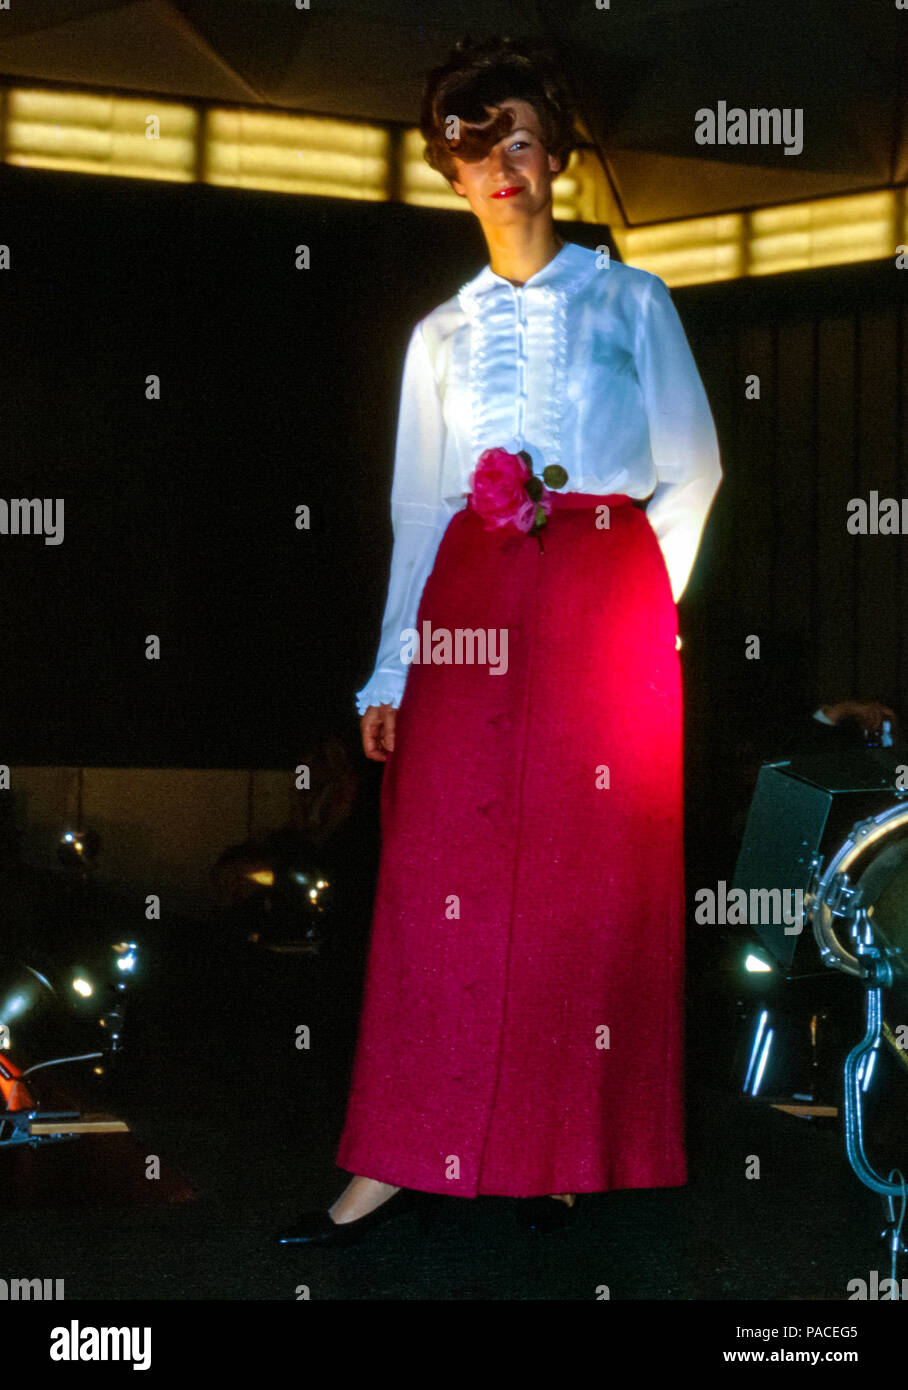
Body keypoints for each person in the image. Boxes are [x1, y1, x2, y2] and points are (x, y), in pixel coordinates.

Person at [279, 34, 722, 1246]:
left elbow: (691, 467)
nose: (502, 165)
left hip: (601, 603)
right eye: (477, 148)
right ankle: (392, 1156)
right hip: (467, 613)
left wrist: (633, 619)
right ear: (452, 173)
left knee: (583, 886)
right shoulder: (439, 335)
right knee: (440, 875)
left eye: (520, 138)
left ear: (553, 154)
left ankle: (561, 1144)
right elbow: (415, 509)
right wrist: (388, 669)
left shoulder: (629, 297)